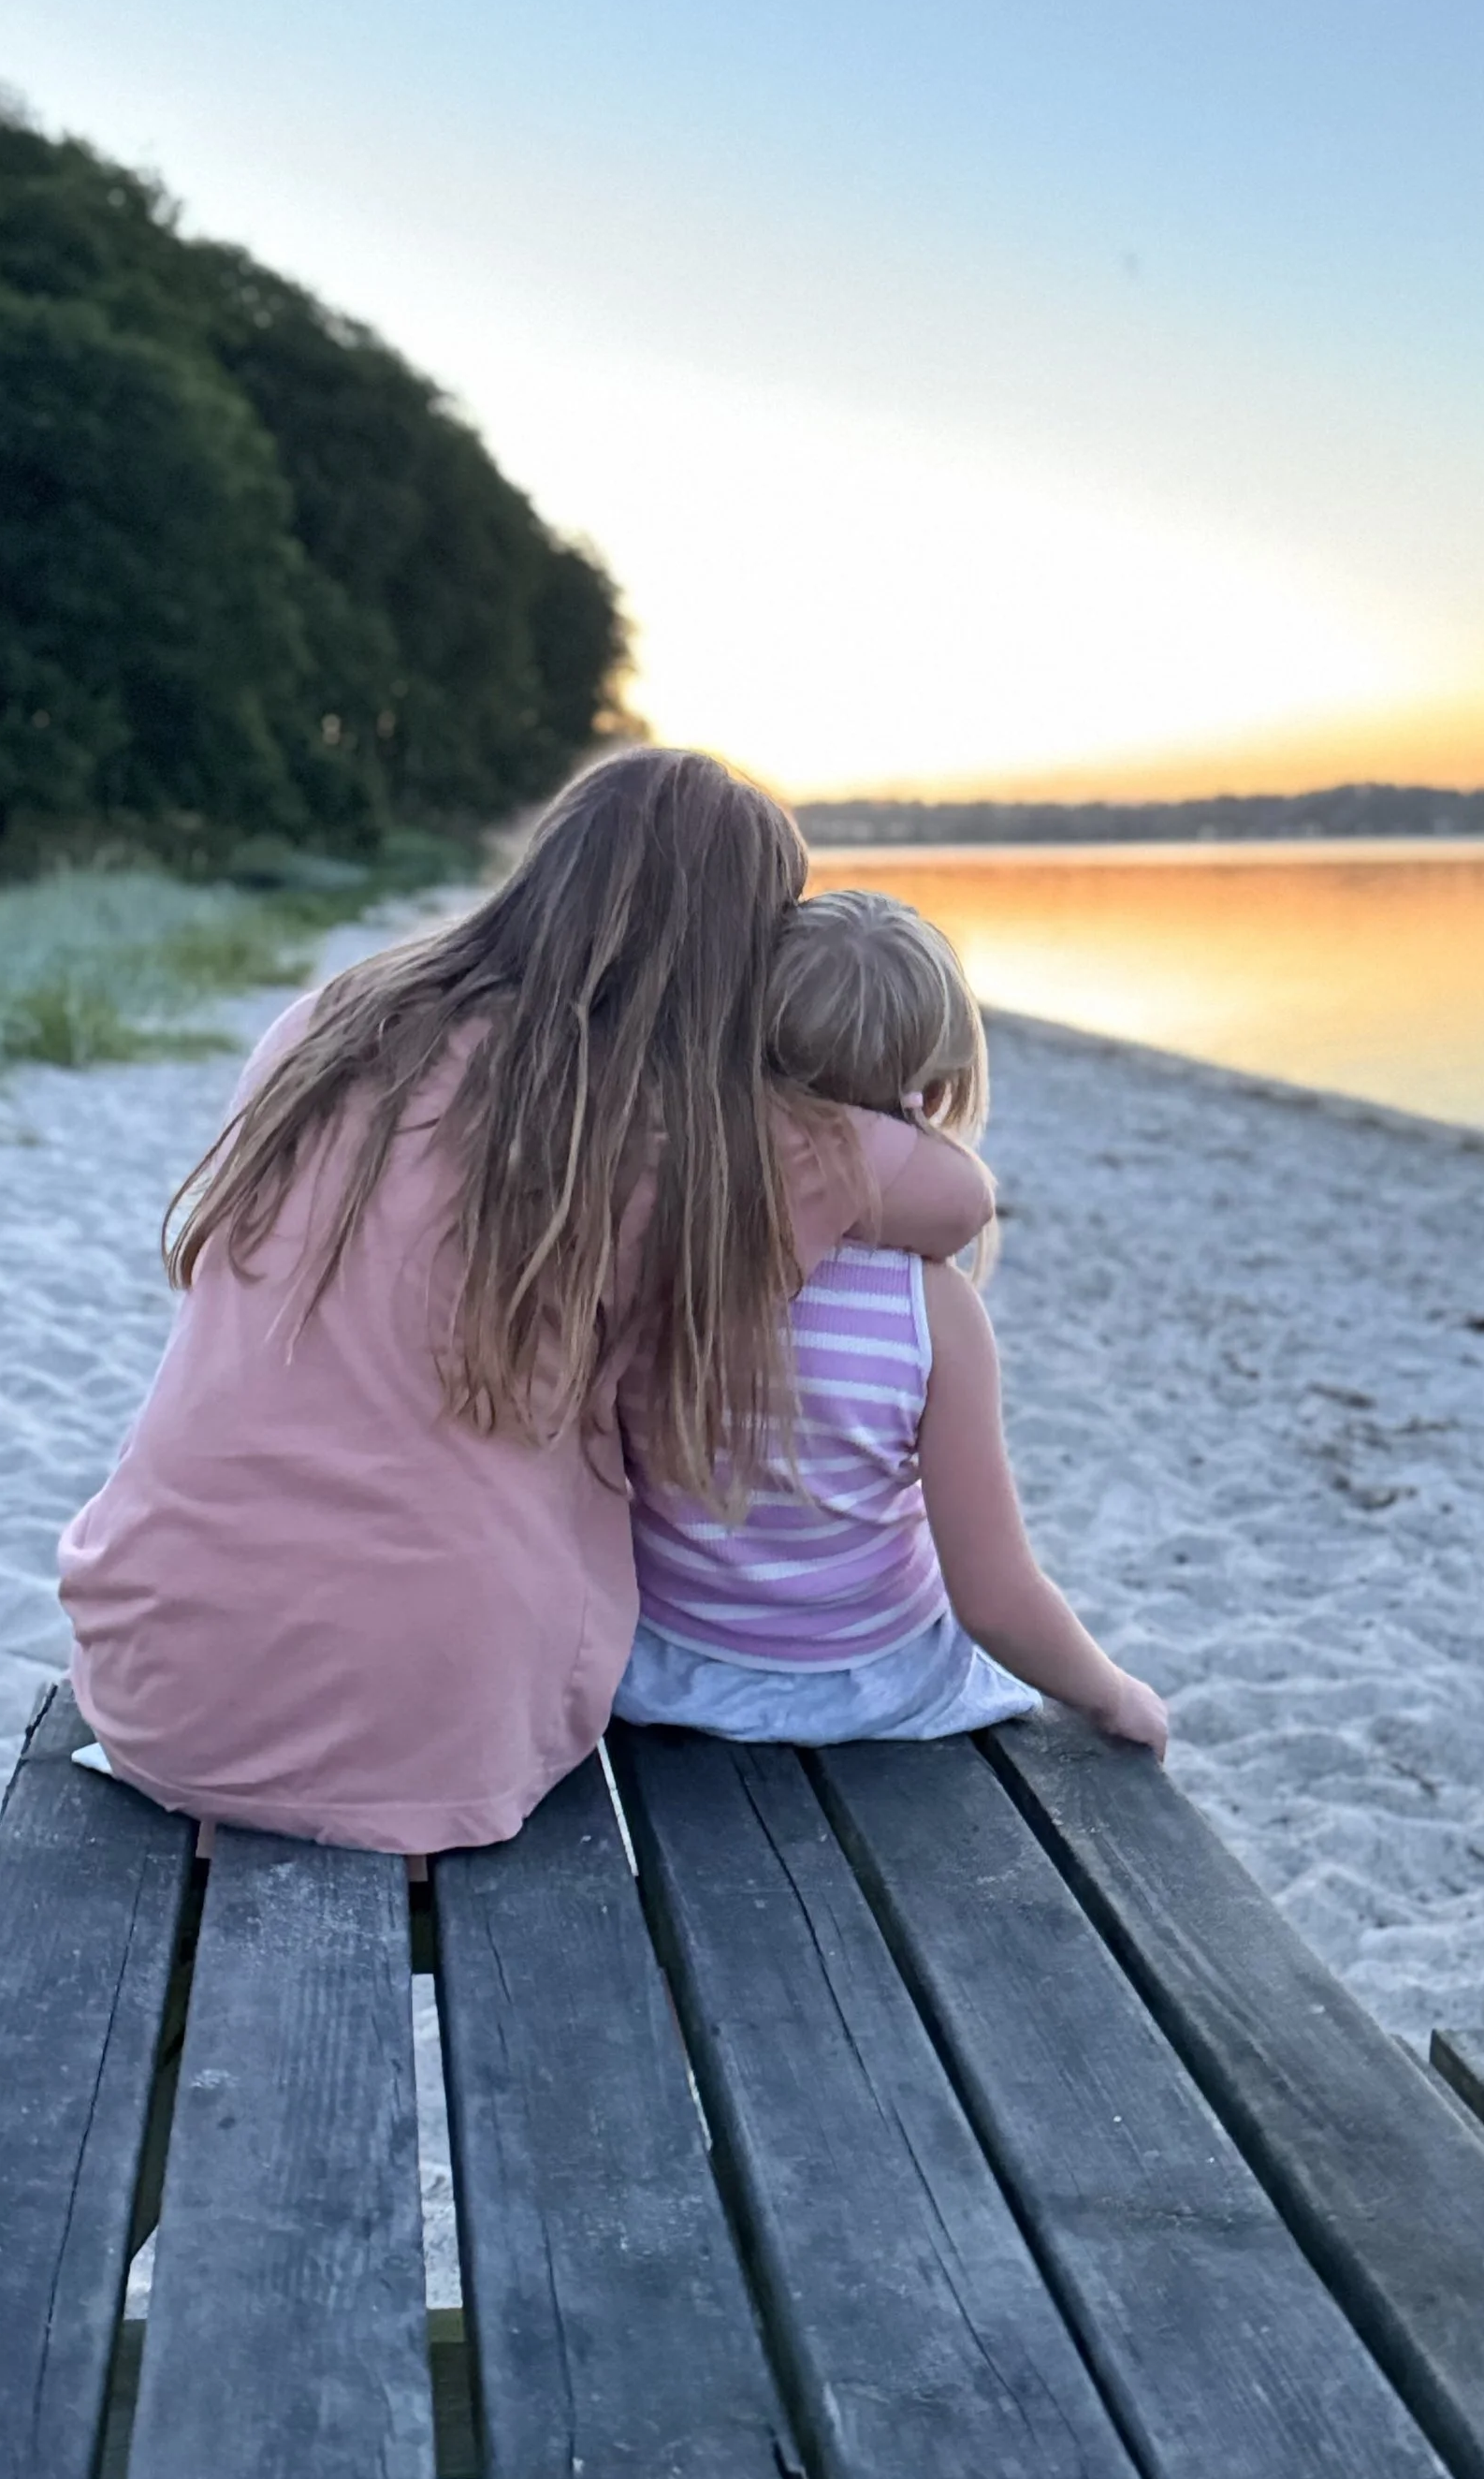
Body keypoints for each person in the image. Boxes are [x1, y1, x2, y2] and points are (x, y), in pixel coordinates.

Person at [58, 751, 996, 1855]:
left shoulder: (328, 1026)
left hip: (156, 1669)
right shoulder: (669, 1123)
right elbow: (956, 1198)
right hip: (438, 1716)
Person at [614, 886, 1169, 1754]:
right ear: (938, 1086)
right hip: (868, 1683)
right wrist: (1115, 1694)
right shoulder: (932, 1308)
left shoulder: (659, 1252)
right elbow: (992, 1595)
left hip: (667, 1662)